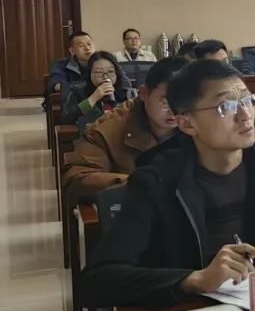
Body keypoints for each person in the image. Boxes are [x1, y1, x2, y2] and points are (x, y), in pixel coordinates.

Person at [78, 59, 255, 308]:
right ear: (186, 123)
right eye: (226, 106)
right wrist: (194, 280)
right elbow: (97, 280)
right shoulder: (156, 182)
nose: (245, 115)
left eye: (248, 100)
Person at [63, 57, 188, 202]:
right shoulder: (107, 129)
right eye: (166, 101)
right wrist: (139, 184)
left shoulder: (200, 123)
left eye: (185, 102)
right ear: (143, 93)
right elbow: (78, 180)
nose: (175, 111)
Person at [60, 51, 133, 124]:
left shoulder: (126, 93)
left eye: (110, 71)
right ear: (90, 73)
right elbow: (67, 119)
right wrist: (93, 98)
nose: (106, 77)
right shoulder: (77, 91)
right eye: (99, 72)